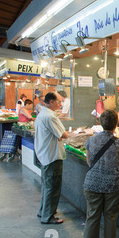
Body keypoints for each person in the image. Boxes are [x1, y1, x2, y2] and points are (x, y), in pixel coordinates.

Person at [83, 110, 119, 238]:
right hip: (113, 184)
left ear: (100, 123)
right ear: (116, 124)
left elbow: (89, 161)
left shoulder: (91, 140)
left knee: (92, 215)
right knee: (110, 216)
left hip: (92, 184)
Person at [34, 92, 68, 224]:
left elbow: (56, 134)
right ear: (51, 102)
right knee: (52, 187)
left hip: (45, 155)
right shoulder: (50, 116)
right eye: (59, 102)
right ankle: (48, 217)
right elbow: (63, 134)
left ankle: (43, 211)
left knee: (46, 186)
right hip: (52, 156)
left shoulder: (42, 114)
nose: (60, 104)